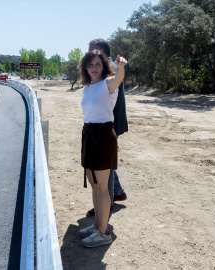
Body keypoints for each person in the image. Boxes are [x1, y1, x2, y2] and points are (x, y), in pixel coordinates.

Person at [78, 50, 127, 247]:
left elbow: (117, 80)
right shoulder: (88, 87)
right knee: (94, 184)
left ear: (104, 66)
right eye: (90, 65)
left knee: (102, 187)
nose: (94, 68)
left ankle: (103, 232)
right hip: (89, 135)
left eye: (97, 64)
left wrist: (121, 68)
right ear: (85, 68)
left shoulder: (108, 84)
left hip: (102, 136)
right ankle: (98, 224)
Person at [86, 39, 128, 217]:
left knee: (104, 165)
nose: (90, 55)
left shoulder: (108, 66)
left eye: (92, 51)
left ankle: (107, 202)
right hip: (108, 120)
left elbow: (112, 88)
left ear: (100, 51)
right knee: (106, 164)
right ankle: (117, 192)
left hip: (108, 123)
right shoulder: (105, 65)